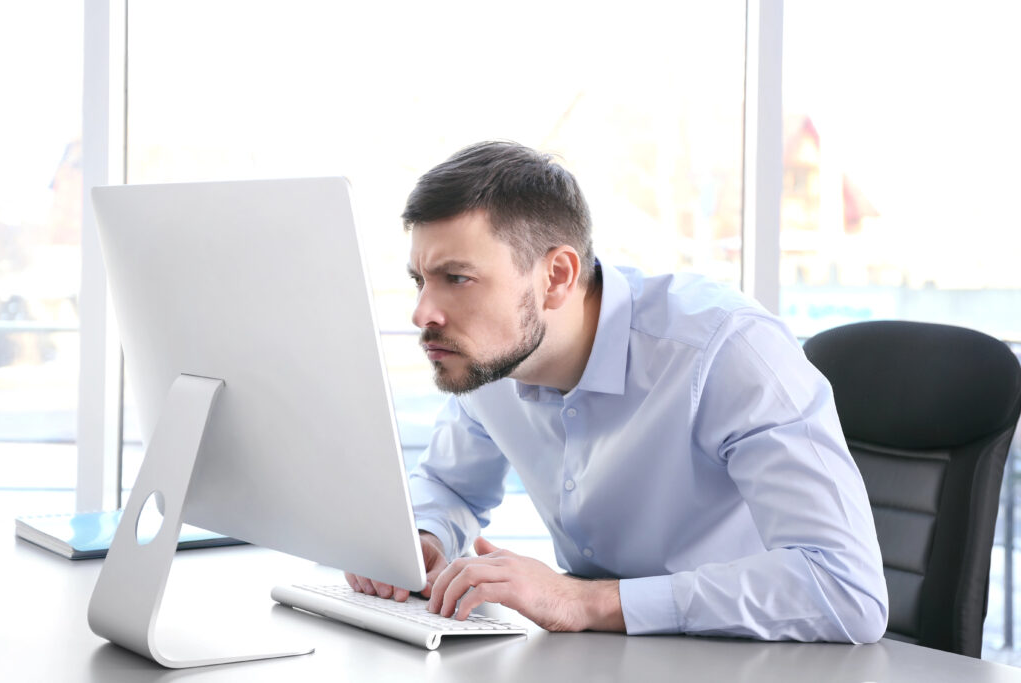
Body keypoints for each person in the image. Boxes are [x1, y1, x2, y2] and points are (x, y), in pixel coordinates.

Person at [345, 141, 889, 641]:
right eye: (421, 280)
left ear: (556, 277)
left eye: (457, 278)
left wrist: (590, 602)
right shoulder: (492, 361)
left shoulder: (727, 351)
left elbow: (845, 588)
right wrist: (423, 539)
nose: (422, 314)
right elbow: (451, 486)